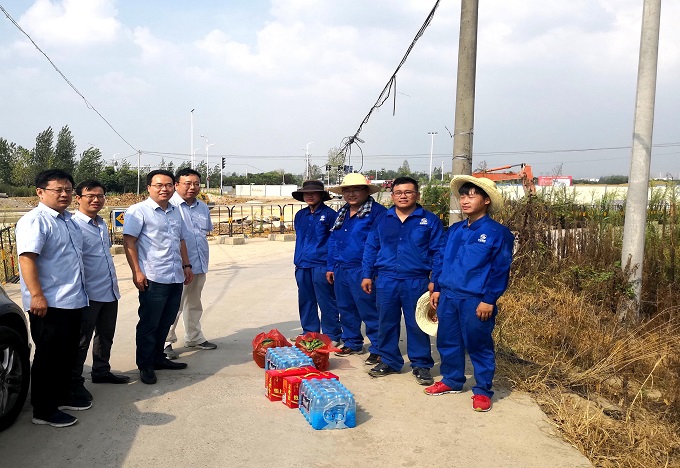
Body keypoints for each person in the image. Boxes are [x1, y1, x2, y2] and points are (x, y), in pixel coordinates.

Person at [427, 176, 514, 412]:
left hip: (475, 299)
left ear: (486, 200)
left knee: (478, 344)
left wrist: (489, 300)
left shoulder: (498, 233)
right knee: (448, 340)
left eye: (472, 196)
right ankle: (452, 379)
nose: (465, 200)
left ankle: (483, 390)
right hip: (449, 296)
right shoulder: (455, 230)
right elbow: (442, 259)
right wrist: (437, 287)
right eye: (463, 196)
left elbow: (500, 270)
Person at [16, 169, 90, 428]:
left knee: (66, 355)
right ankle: (44, 410)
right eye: (58, 190)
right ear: (40, 192)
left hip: (72, 300)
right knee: (48, 358)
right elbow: (27, 259)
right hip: (49, 303)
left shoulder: (69, 220)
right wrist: (36, 295)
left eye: (68, 190)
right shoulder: (35, 221)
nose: (64, 194)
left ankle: (61, 397)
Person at [361, 177, 444, 385]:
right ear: (392, 196)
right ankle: (389, 360)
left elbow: (439, 252)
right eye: (398, 192)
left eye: (408, 192)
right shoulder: (382, 219)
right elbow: (371, 247)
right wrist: (366, 274)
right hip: (386, 279)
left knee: (416, 323)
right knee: (386, 322)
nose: (403, 196)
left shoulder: (429, 220)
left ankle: (421, 364)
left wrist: (435, 279)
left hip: (416, 280)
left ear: (417, 195)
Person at [123, 170, 194, 385]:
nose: (164, 189)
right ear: (149, 188)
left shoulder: (176, 211)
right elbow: (129, 242)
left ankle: (158, 358)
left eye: (168, 185)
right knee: (149, 323)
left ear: (174, 186)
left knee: (166, 321)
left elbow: (181, 240)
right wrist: (136, 271)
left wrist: (186, 265)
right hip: (153, 277)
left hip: (175, 276)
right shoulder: (138, 211)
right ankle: (145, 365)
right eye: (159, 185)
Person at [71, 180, 129, 404]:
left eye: (101, 196)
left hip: (109, 289)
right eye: (90, 196)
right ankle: (74, 382)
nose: (96, 200)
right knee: (81, 341)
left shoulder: (101, 223)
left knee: (105, 335)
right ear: (78, 198)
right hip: (87, 294)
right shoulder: (74, 225)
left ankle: (101, 371)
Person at [326, 173, 387, 365]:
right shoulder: (342, 213)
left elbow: (381, 244)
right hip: (341, 268)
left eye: (356, 190)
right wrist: (330, 266)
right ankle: (352, 341)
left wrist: (372, 271)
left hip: (363, 269)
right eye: (347, 190)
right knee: (346, 307)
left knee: (369, 309)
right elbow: (333, 240)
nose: (351, 194)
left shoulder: (377, 213)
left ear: (366, 191)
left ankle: (379, 348)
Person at [163, 168, 217, 360]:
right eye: (187, 183)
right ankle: (165, 342)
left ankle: (194, 337)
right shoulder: (169, 207)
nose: (192, 187)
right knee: (174, 305)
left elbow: (203, 233)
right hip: (178, 266)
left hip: (199, 263)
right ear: (176, 185)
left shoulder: (202, 207)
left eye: (196, 184)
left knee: (194, 303)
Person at [292, 180, 341, 345]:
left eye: (314, 193)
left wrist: (331, 266)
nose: (310, 196)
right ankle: (309, 332)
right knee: (306, 300)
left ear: (321, 195)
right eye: (306, 193)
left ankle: (331, 335)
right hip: (302, 265)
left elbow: (334, 242)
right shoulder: (300, 215)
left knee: (326, 300)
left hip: (321, 265)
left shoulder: (330, 215)